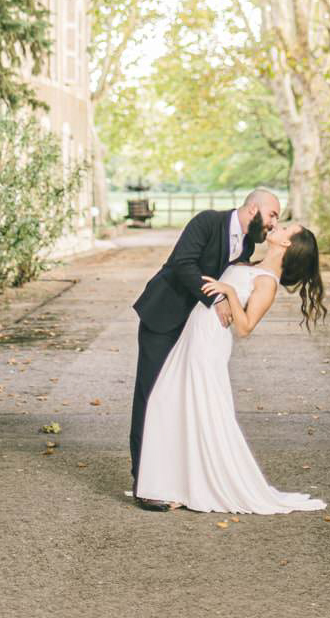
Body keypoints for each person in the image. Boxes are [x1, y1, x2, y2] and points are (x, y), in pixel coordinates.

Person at [135, 220, 328, 515]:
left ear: (287, 244)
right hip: (193, 336)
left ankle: (190, 486)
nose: (278, 225)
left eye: (286, 227)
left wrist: (230, 293)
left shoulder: (267, 281)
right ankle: (172, 483)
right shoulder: (250, 262)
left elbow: (246, 326)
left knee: (199, 409)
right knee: (167, 402)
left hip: (209, 344)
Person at [129, 189, 281, 509]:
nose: (273, 223)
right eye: (272, 215)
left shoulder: (248, 244)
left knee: (178, 402)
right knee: (151, 396)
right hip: (165, 318)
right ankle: (143, 482)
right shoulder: (206, 222)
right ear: (253, 209)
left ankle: (173, 479)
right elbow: (182, 264)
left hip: (195, 333)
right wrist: (216, 298)